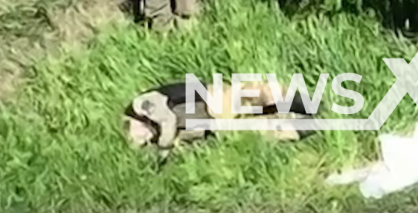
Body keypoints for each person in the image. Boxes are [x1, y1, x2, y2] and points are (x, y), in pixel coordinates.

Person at [123, 79, 315, 155]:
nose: (145, 139)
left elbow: (169, 121)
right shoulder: (153, 131)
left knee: (254, 95)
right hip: (211, 124)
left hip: (210, 99)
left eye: (138, 136)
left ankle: (306, 103)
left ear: (133, 123)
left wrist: (164, 148)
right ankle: (307, 128)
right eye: (143, 143)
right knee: (258, 130)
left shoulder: (142, 105)